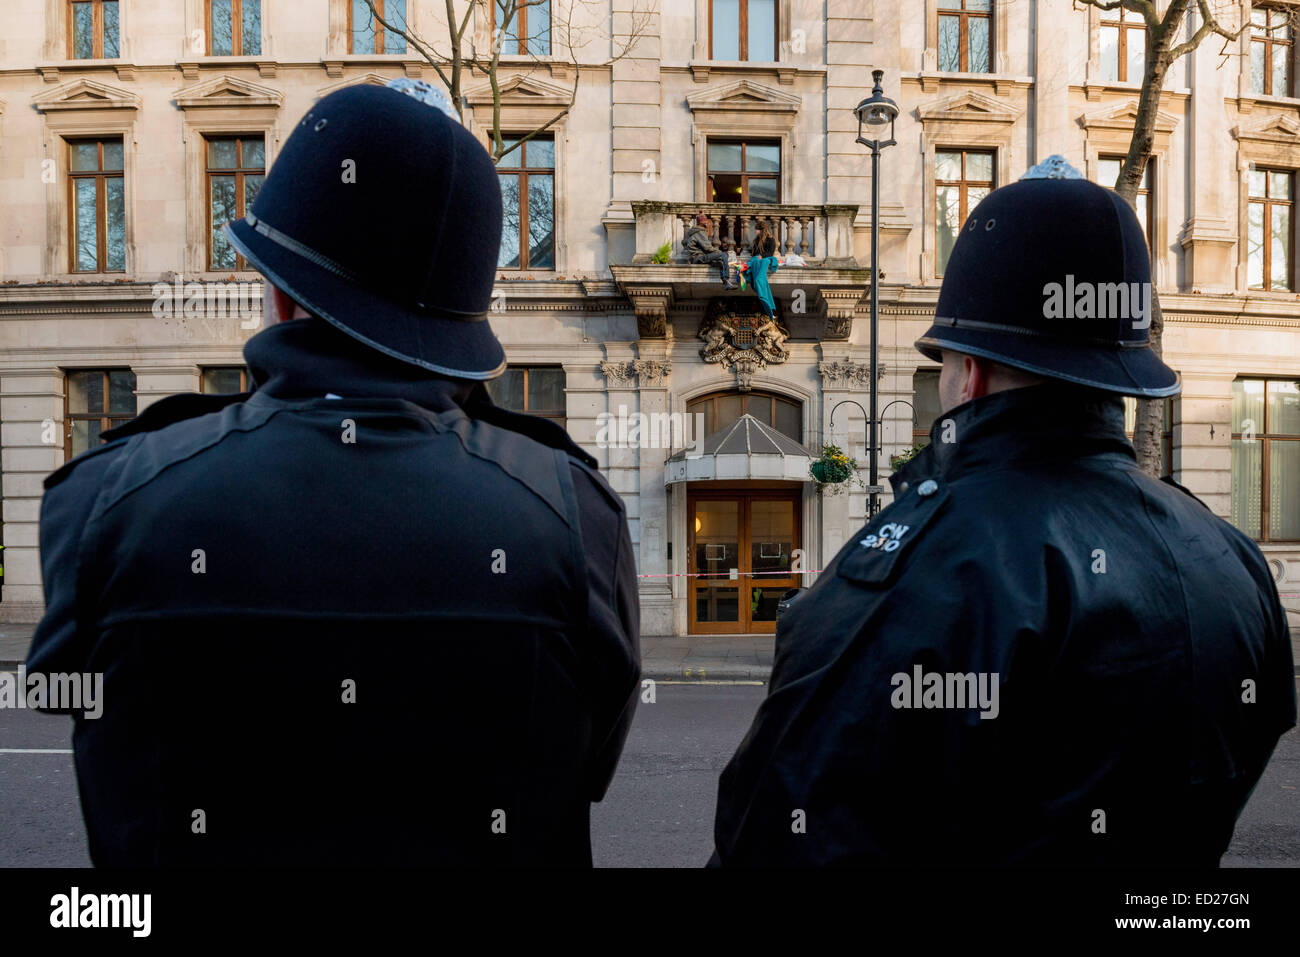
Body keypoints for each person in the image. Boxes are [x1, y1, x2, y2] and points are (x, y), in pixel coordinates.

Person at [26, 80, 641, 867]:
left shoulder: (107, 501)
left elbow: (66, 703)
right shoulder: (573, 518)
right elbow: (587, 763)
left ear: (280, 295)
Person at [711, 156, 1296, 867]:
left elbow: (774, 834)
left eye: (944, 363)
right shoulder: (1231, 559)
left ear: (972, 371)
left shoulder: (917, 577)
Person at [682, 213, 738, 289]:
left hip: (700, 257)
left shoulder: (701, 231)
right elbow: (707, 248)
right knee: (723, 255)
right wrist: (720, 253)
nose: (706, 221)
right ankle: (726, 279)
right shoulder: (699, 232)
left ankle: (725, 282)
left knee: (721, 262)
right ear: (700, 222)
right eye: (704, 219)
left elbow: (706, 246)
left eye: (705, 219)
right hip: (698, 257)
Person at [747, 219, 780, 318]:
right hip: (756, 260)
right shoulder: (756, 240)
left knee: (759, 280)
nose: (755, 232)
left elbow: (770, 252)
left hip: (764, 259)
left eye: (756, 229)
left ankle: (768, 305)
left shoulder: (770, 239)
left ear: (761, 230)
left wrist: (762, 256)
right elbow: (753, 253)